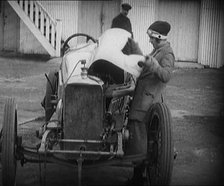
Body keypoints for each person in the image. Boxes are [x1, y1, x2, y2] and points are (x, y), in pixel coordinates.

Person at [126, 20, 175, 185]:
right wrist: (135, 48)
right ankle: (138, 174)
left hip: (147, 102)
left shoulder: (166, 53)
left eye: (151, 38)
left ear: (158, 37)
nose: (149, 40)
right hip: (143, 98)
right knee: (140, 137)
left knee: (139, 136)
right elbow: (146, 61)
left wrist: (154, 66)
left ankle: (138, 178)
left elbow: (166, 75)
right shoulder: (157, 50)